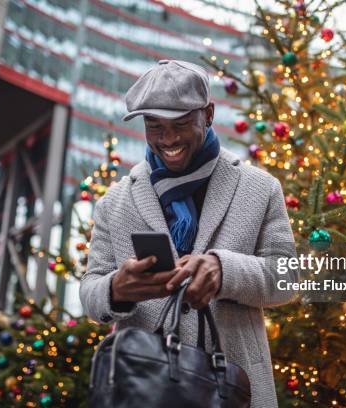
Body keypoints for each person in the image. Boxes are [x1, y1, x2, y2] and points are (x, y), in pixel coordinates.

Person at [79, 59, 299, 408]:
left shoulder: (261, 188)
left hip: (233, 390)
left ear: (208, 114)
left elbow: (288, 277)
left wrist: (225, 270)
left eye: (181, 124)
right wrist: (115, 290)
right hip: (142, 391)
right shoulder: (114, 203)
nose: (168, 139)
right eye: (154, 125)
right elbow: (90, 292)